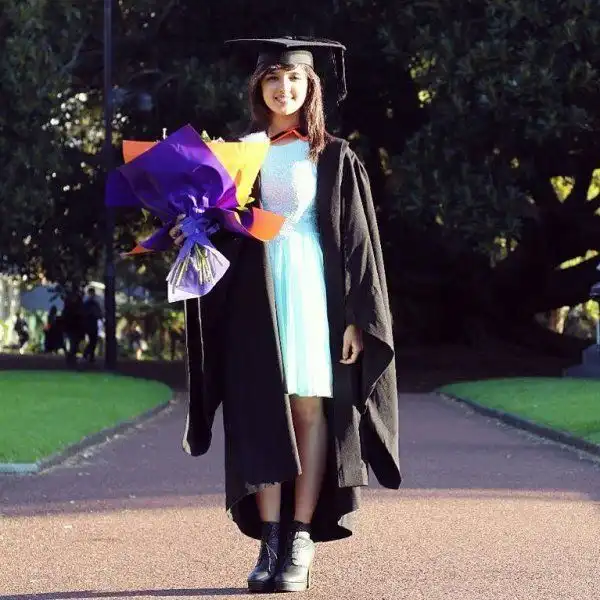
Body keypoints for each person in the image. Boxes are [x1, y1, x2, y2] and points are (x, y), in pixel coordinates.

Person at [175, 37, 401, 593]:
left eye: (294, 79)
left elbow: (357, 245)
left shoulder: (333, 155)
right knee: (261, 414)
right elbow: (225, 231)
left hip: (312, 292)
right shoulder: (236, 154)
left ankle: (300, 538)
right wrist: (192, 228)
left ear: (310, 87)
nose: (284, 88)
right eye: (273, 79)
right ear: (259, 88)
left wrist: (356, 318)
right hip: (258, 294)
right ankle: (269, 539)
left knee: (309, 411)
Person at [62, 290, 85, 366]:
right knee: (72, 342)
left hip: (74, 327)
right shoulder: (75, 306)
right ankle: (71, 356)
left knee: (73, 343)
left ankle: (71, 356)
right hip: (72, 326)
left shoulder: (72, 306)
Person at [82, 287, 103, 363]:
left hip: (92, 324)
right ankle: (89, 355)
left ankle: (89, 355)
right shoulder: (90, 303)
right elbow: (98, 314)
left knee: (93, 341)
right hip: (91, 324)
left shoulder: (91, 303)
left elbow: (99, 314)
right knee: (93, 341)